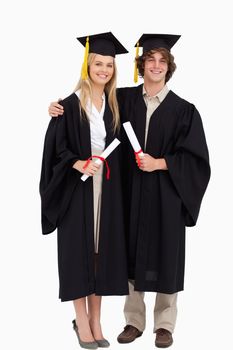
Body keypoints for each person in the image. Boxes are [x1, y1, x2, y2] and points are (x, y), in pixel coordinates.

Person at [48, 33, 211, 348]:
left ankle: (164, 325)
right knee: (130, 254)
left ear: (169, 66)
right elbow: (91, 106)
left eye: (162, 60)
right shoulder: (122, 100)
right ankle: (133, 322)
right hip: (130, 194)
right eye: (150, 59)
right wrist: (57, 107)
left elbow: (198, 160)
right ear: (141, 64)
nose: (156, 65)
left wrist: (161, 163)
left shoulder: (185, 110)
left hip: (167, 195)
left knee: (166, 254)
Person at [40, 32, 129, 349]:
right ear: (87, 66)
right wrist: (75, 164)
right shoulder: (66, 106)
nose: (103, 69)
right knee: (78, 252)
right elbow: (56, 149)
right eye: (98, 63)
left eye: (109, 64)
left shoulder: (116, 105)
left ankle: (95, 319)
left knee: (100, 253)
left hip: (106, 187)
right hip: (75, 189)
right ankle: (81, 318)